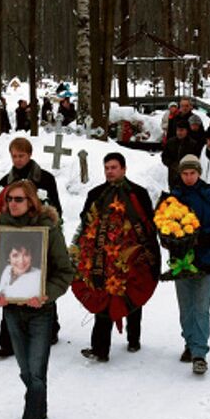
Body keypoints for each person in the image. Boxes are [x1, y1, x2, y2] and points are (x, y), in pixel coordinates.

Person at [0, 180, 73, 419]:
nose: (12, 204)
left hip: (40, 311)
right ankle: (39, 405)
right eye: (10, 199)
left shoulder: (47, 229)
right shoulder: (1, 228)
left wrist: (47, 294)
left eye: (19, 199)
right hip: (12, 310)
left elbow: (65, 273)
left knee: (36, 371)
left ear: (31, 201)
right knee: (26, 370)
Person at [78, 152, 161, 362]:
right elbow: (86, 220)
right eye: (107, 168)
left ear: (124, 169)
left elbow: (148, 223)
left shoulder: (138, 193)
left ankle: (134, 339)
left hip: (132, 256)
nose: (110, 171)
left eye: (114, 167)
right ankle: (100, 349)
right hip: (104, 258)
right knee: (103, 298)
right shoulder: (96, 194)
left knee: (132, 296)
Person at [0, 137, 62, 358]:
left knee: (40, 283)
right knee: (10, 283)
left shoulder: (45, 179)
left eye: (21, 155)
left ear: (29, 155)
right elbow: (0, 208)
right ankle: (8, 341)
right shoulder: (6, 180)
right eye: (14, 155)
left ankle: (50, 329)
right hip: (13, 238)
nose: (18, 159)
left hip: (38, 238)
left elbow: (56, 208)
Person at [169, 155, 210, 374]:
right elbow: (163, 226)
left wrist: (201, 236)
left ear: (198, 173)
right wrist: (174, 240)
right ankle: (190, 342)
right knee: (186, 308)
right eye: (185, 174)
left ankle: (199, 353)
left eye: (192, 173)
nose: (188, 178)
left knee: (202, 307)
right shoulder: (174, 197)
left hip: (207, 259)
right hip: (182, 261)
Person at [161, 120, 200, 190]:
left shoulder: (193, 144)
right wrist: (173, 164)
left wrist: (185, 166)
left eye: (181, 130)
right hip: (173, 179)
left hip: (188, 180)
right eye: (178, 130)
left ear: (187, 131)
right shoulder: (170, 142)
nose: (179, 133)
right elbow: (164, 157)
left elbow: (197, 161)